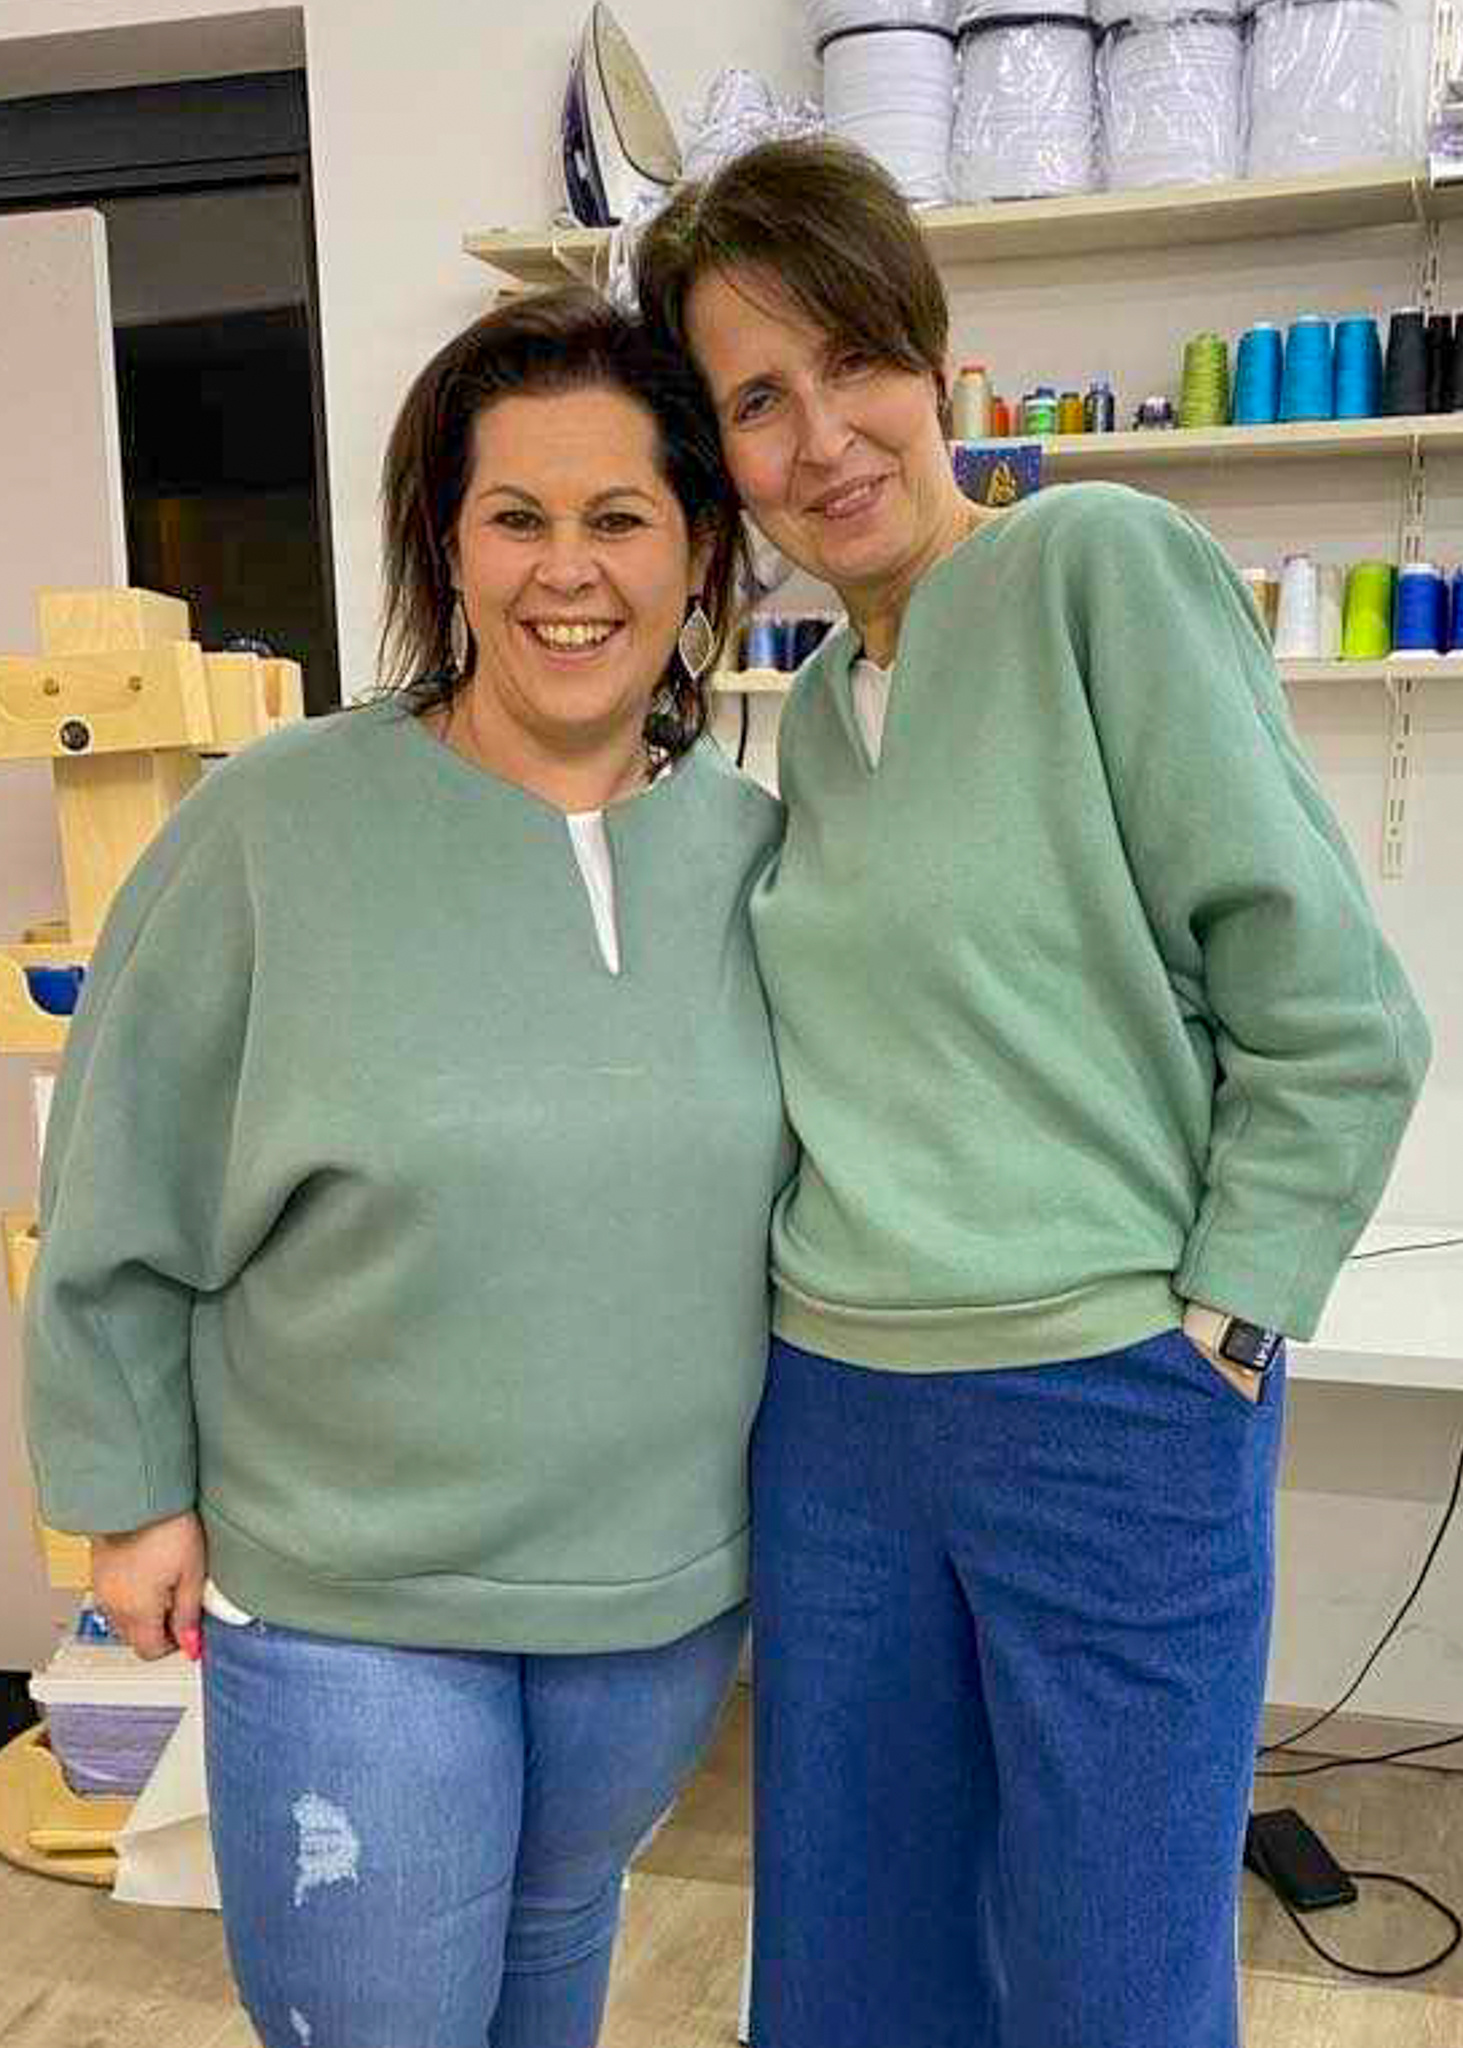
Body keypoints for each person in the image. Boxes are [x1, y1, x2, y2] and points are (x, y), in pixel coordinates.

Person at [635, 140, 1432, 2048]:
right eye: (757, 399)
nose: (822, 437)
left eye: (853, 361)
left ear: (936, 359)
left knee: (1114, 1975)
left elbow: (1336, 1011)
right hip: (836, 1423)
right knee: (851, 1967)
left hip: (1107, 1406)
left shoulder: (1100, 569)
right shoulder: (819, 717)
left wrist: (1229, 1319)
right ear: (718, 453)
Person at [23, 287, 790, 2048]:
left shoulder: (756, 853)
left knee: (556, 1955)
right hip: (351, 1600)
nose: (567, 571)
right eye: (516, 517)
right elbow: (123, 1175)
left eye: (619, 518)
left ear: (697, 552)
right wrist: (127, 1492)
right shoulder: (274, 824)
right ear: (448, 547)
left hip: (655, 1601)